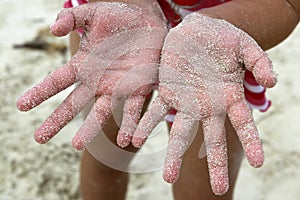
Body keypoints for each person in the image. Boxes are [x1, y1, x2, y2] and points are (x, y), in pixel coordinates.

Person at [16, 0, 300, 199]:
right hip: (116, 21)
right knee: (106, 158)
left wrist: (223, 23)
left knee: (207, 189)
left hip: (219, 40)